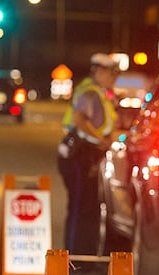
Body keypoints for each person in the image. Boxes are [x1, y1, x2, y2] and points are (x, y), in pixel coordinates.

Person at [57, 53, 121, 257]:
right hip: (80, 154)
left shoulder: (100, 93)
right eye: (111, 73)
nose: (114, 78)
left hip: (88, 155)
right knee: (80, 208)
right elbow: (79, 120)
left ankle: (84, 257)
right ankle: (75, 259)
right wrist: (101, 139)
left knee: (88, 208)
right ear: (100, 72)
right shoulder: (90, 93)